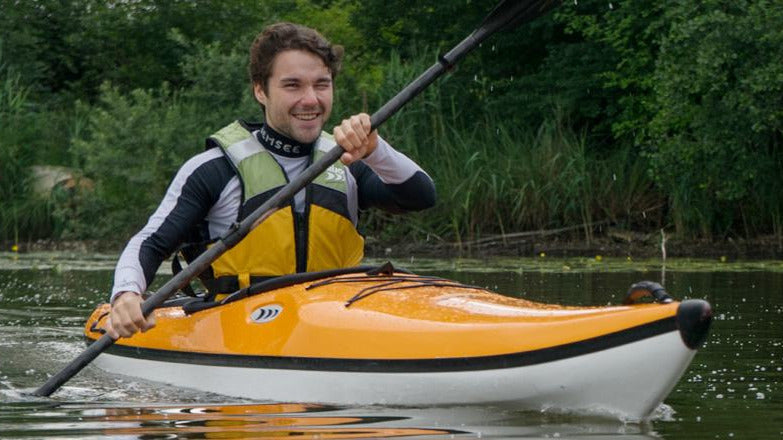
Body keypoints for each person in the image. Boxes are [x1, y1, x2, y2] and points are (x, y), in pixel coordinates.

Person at [105, 22, 436, 339]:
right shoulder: (213, 170)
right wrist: (126, 295)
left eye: (322, 84)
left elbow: (420, 195)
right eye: (293, 85)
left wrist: (375, 149)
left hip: (336, 322)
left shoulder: (346, 162)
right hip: (240, 327)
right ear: (260, 91)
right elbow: (150, 243)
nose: (311, 100)